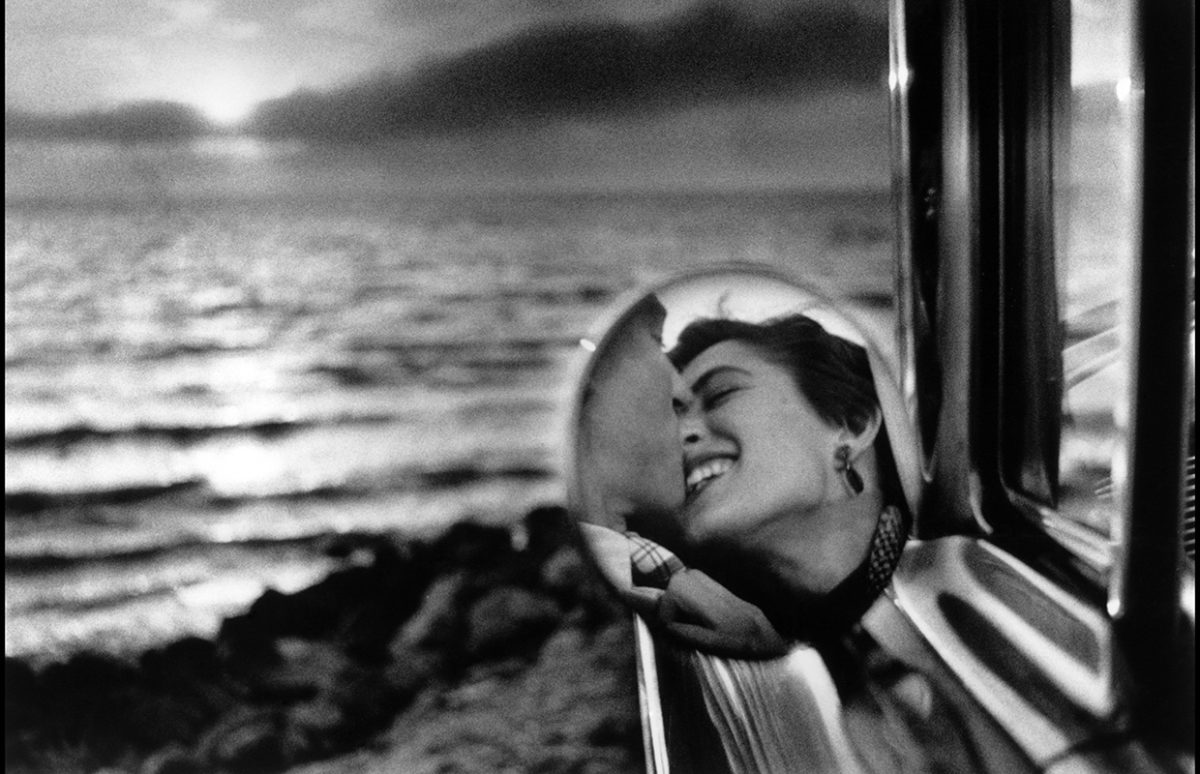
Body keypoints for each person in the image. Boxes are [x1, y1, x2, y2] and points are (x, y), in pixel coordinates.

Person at [667, 313, 912, 640]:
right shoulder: (714, 619)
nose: (679, 434)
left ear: (852, 425)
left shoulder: (941, 571)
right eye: (672, 417)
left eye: (720, 394)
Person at [575, 293, 787, 656]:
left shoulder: (648, 570)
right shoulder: (642, 586)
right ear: (590, 372)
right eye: (657, 341)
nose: (682, 392)